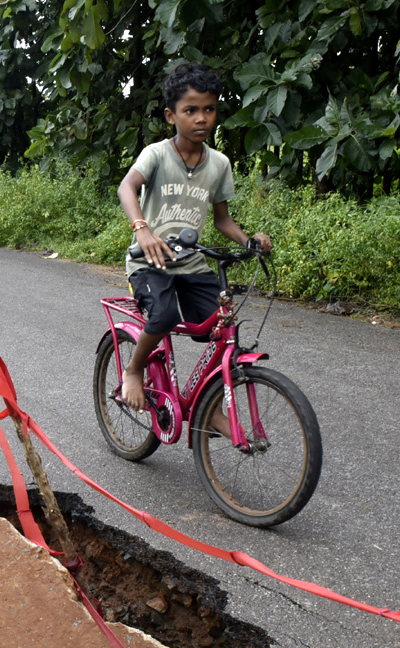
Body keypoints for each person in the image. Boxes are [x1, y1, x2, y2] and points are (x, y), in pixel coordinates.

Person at [116, 62, 271, 432]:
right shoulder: (156, 154)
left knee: (218, 327)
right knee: (165, 315)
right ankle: (133, 369)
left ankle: (206, 402)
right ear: (172, 115)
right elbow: (127, 187)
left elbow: (222, 220)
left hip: (192, 263)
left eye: (209, 109)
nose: (201, 118)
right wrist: (143, 229)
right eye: (191, 110)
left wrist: (250, 241)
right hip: (149, 261)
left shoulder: (219, 164)